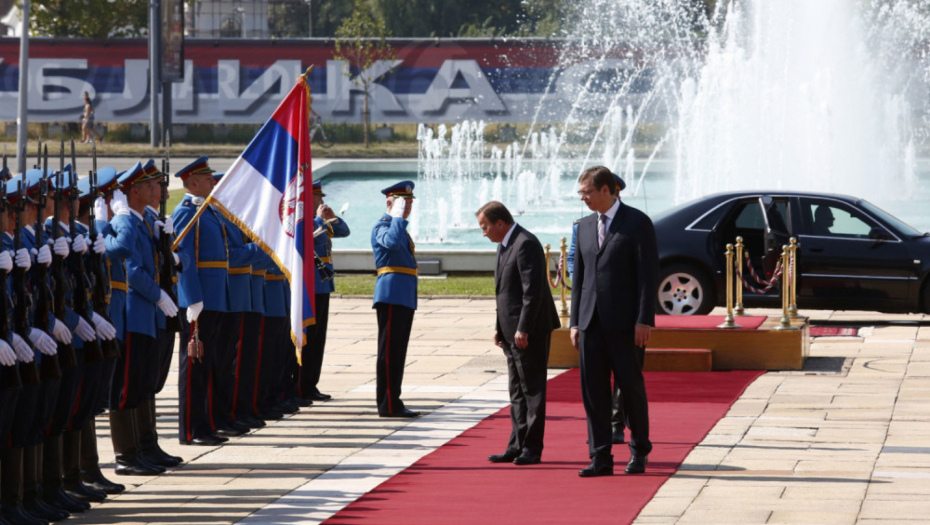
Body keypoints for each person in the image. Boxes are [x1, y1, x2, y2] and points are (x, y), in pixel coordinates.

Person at [570, 166, 658, 477]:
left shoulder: (637, 222)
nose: (583, 198)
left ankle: (639, 450)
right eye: (581, 193)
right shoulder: (582, 226)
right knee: (593, 392)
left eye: (588, 192)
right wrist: (575, 322)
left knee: (631, 389)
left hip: (626, 325)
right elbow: (579, 278)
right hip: (590, 324)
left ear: (606, 190)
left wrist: (644, 319)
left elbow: (648, 276)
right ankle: (600, 456)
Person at [477, 201, 559, 466]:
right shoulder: (504, 246)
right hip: (512, 332)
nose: (484, 232)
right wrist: (500, 328)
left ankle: (532, 448)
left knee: (532, 390)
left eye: (485, 226)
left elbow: (531, 291)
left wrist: (523, 327)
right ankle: (516, 444)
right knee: (516, 391)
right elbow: (504, 293)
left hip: (529, 331)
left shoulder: (525, 243)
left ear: (500, 223)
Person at [567, 173, 628, 446]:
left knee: (624, 379)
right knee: (593, 382)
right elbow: (574, 258)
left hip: (620, 313)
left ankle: (618, 422)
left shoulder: (631, 224)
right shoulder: (583, 225)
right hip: (591, 312)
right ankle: (599, 442)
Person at [371, 181, 419, 418]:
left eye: (409, 202)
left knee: (397, 353)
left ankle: (394, 401)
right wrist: (397, 216)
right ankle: (387, 404)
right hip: (391, 295)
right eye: (403, 202)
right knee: (389, 353)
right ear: (390, 202)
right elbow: (389, 244)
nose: (407, 207)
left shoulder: (398, 227)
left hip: (403, 295)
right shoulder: (383, 226)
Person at [299, 180, 350, 403]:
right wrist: (320, 219)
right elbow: (311, 237)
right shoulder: (304, 222)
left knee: (318, 339)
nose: (323, 202)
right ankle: (300, 384)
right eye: (319, 198)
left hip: (322, 285)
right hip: (309, 285)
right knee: (308, 338)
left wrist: (331, 217)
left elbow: (344, 231)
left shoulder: (318, 220)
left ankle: (311, 384)